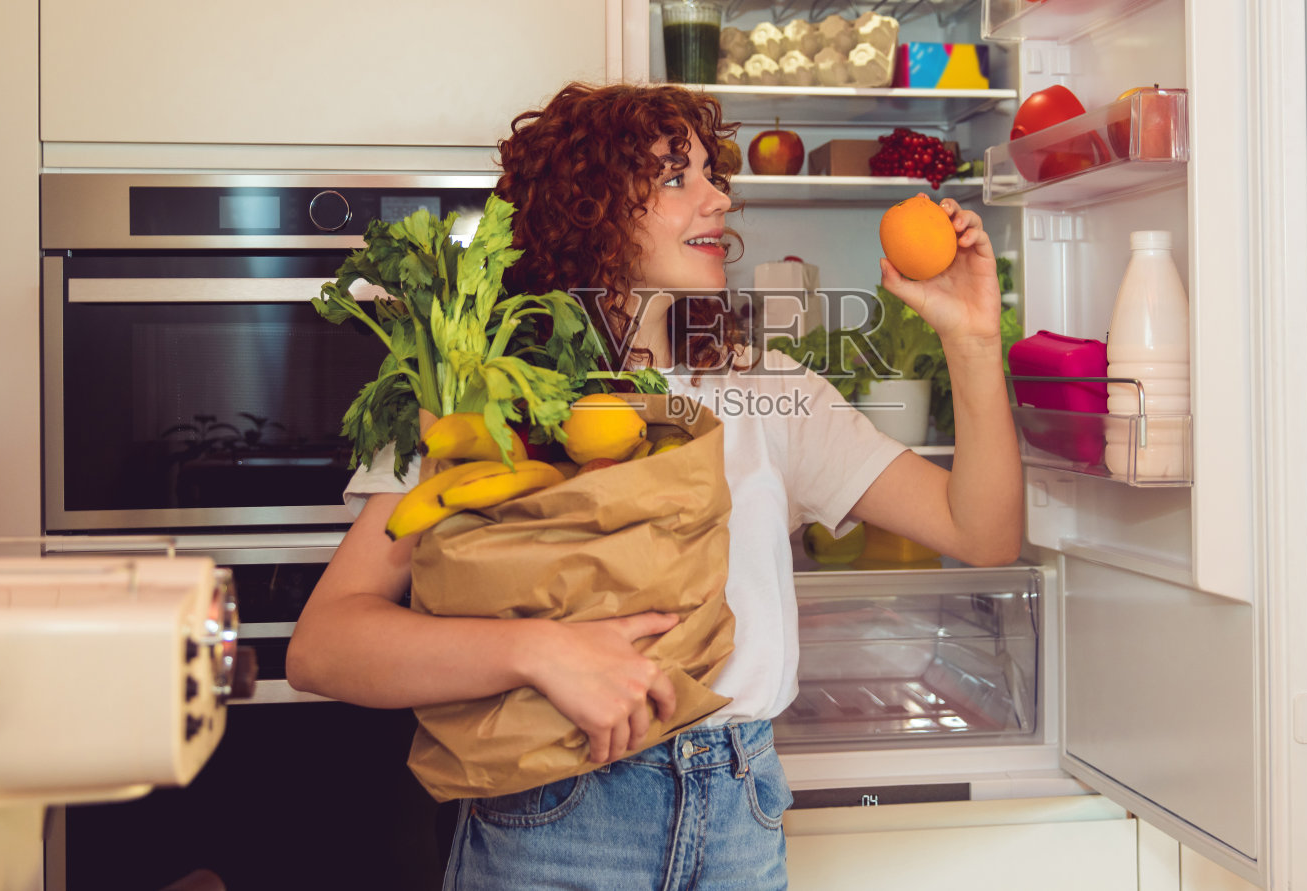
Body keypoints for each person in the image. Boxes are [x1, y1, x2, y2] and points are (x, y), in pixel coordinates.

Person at [286, 81, 1024, 890]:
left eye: (711, 173)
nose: (718, 197)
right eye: (677, 177)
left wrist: (973, 338)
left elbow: (978, 531)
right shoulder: (480, 393)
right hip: (558, 814)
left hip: (741, 814)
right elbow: (326, 646)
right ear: (586, 206)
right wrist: (540, 651)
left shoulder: (766, 388)